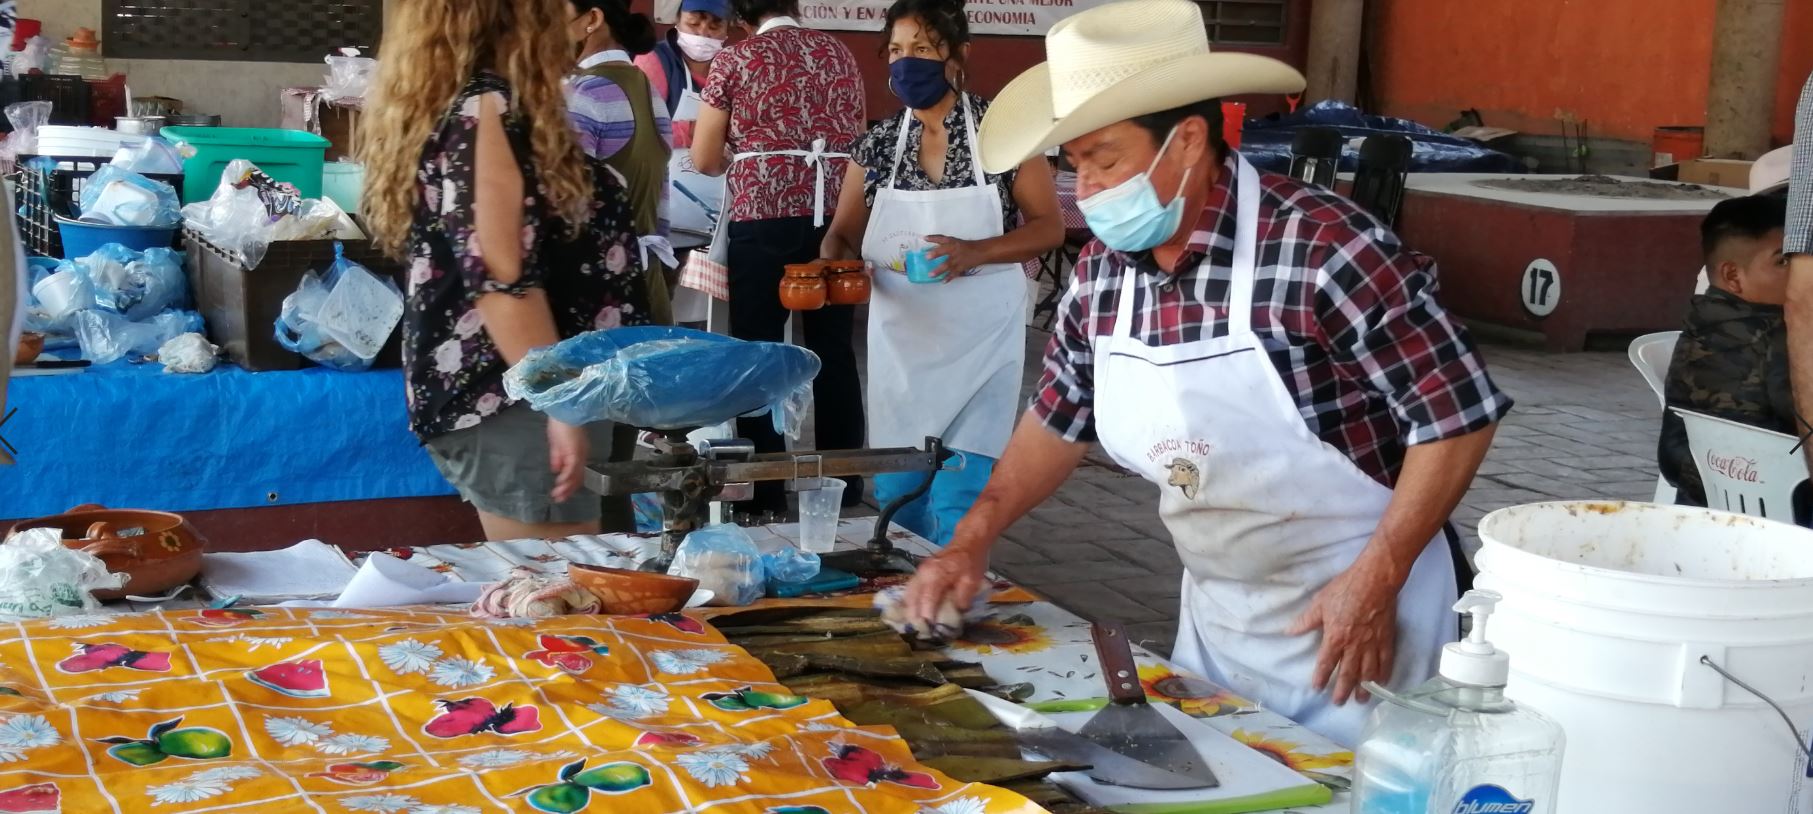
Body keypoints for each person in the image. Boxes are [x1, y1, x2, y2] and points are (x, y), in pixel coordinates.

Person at [900, 0, 1511, 747]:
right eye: (1075, 162)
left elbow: (1456, 417)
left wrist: (1376, 579)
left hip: (1365, 619)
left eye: (1105, 159)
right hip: (1221, 623)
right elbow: (1059, 419)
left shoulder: (1324, 247)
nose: (1085, 190)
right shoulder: (1100, 274)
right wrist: (972, 537)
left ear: (1187, 141)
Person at [359, 0, 651, 541]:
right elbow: (500, 278)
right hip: (521, 397)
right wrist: (559, 402)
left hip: (550, 389)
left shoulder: (487, 105)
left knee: (597, 589)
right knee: (562, 596)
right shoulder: (484, 110)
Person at [819, 0, 1063, 544]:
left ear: (958, 55)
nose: (907, 63)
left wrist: (973, 252)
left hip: (982, 340)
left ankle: (954, 587)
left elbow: (1048, 227)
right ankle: (910, 599)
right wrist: (830, 267)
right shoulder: (878, 143)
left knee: (961, 496)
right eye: (898, 51)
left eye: (923, 49)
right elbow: (841, 232)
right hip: (903, 344)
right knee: (899, 498)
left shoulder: (1003, 134)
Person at [690, 0, 867, 513]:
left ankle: (764, 489)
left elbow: (703, 158)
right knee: (833, 351)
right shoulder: (839, 54)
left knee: (759, 352)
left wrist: (742, 155)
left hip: (763, 217)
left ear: (743, 16)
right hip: (837, 219)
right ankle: (844, 482)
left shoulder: (736, 58)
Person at [1660, 195, 1794, 507]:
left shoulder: (1703, 317)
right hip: (1774, 502)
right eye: (1783, 261)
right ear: (1733, 276)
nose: (1800, 273)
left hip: (1700, 493)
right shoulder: (1774, 337)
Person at [568, 0, 675, 327]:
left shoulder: (583, 94)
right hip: (647, 281)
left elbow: (566, 212)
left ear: (592, 19)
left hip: (600, 288)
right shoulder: (648, 90)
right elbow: (661, 205)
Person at [634, 0, 730, 150]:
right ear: (677, 21)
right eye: (693, 24)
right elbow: (644, 127)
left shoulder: (732, 66)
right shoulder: (654, 59)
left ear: (727, 30)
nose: (703, 33)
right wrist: (697, 130)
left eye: (714, 27)